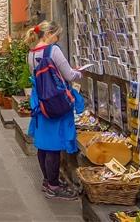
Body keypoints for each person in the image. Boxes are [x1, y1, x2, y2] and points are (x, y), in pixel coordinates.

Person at [27, 21, 84, 201]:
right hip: (56, 101)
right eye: (57, 35)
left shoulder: (31, 53)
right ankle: (53, 185)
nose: (58, 39)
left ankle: (47, 180)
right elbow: (68, 75)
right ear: (49, 34)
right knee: (53, 145)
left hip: (41, 101)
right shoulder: (53, 50)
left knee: (43, 143)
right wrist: (78, 73)